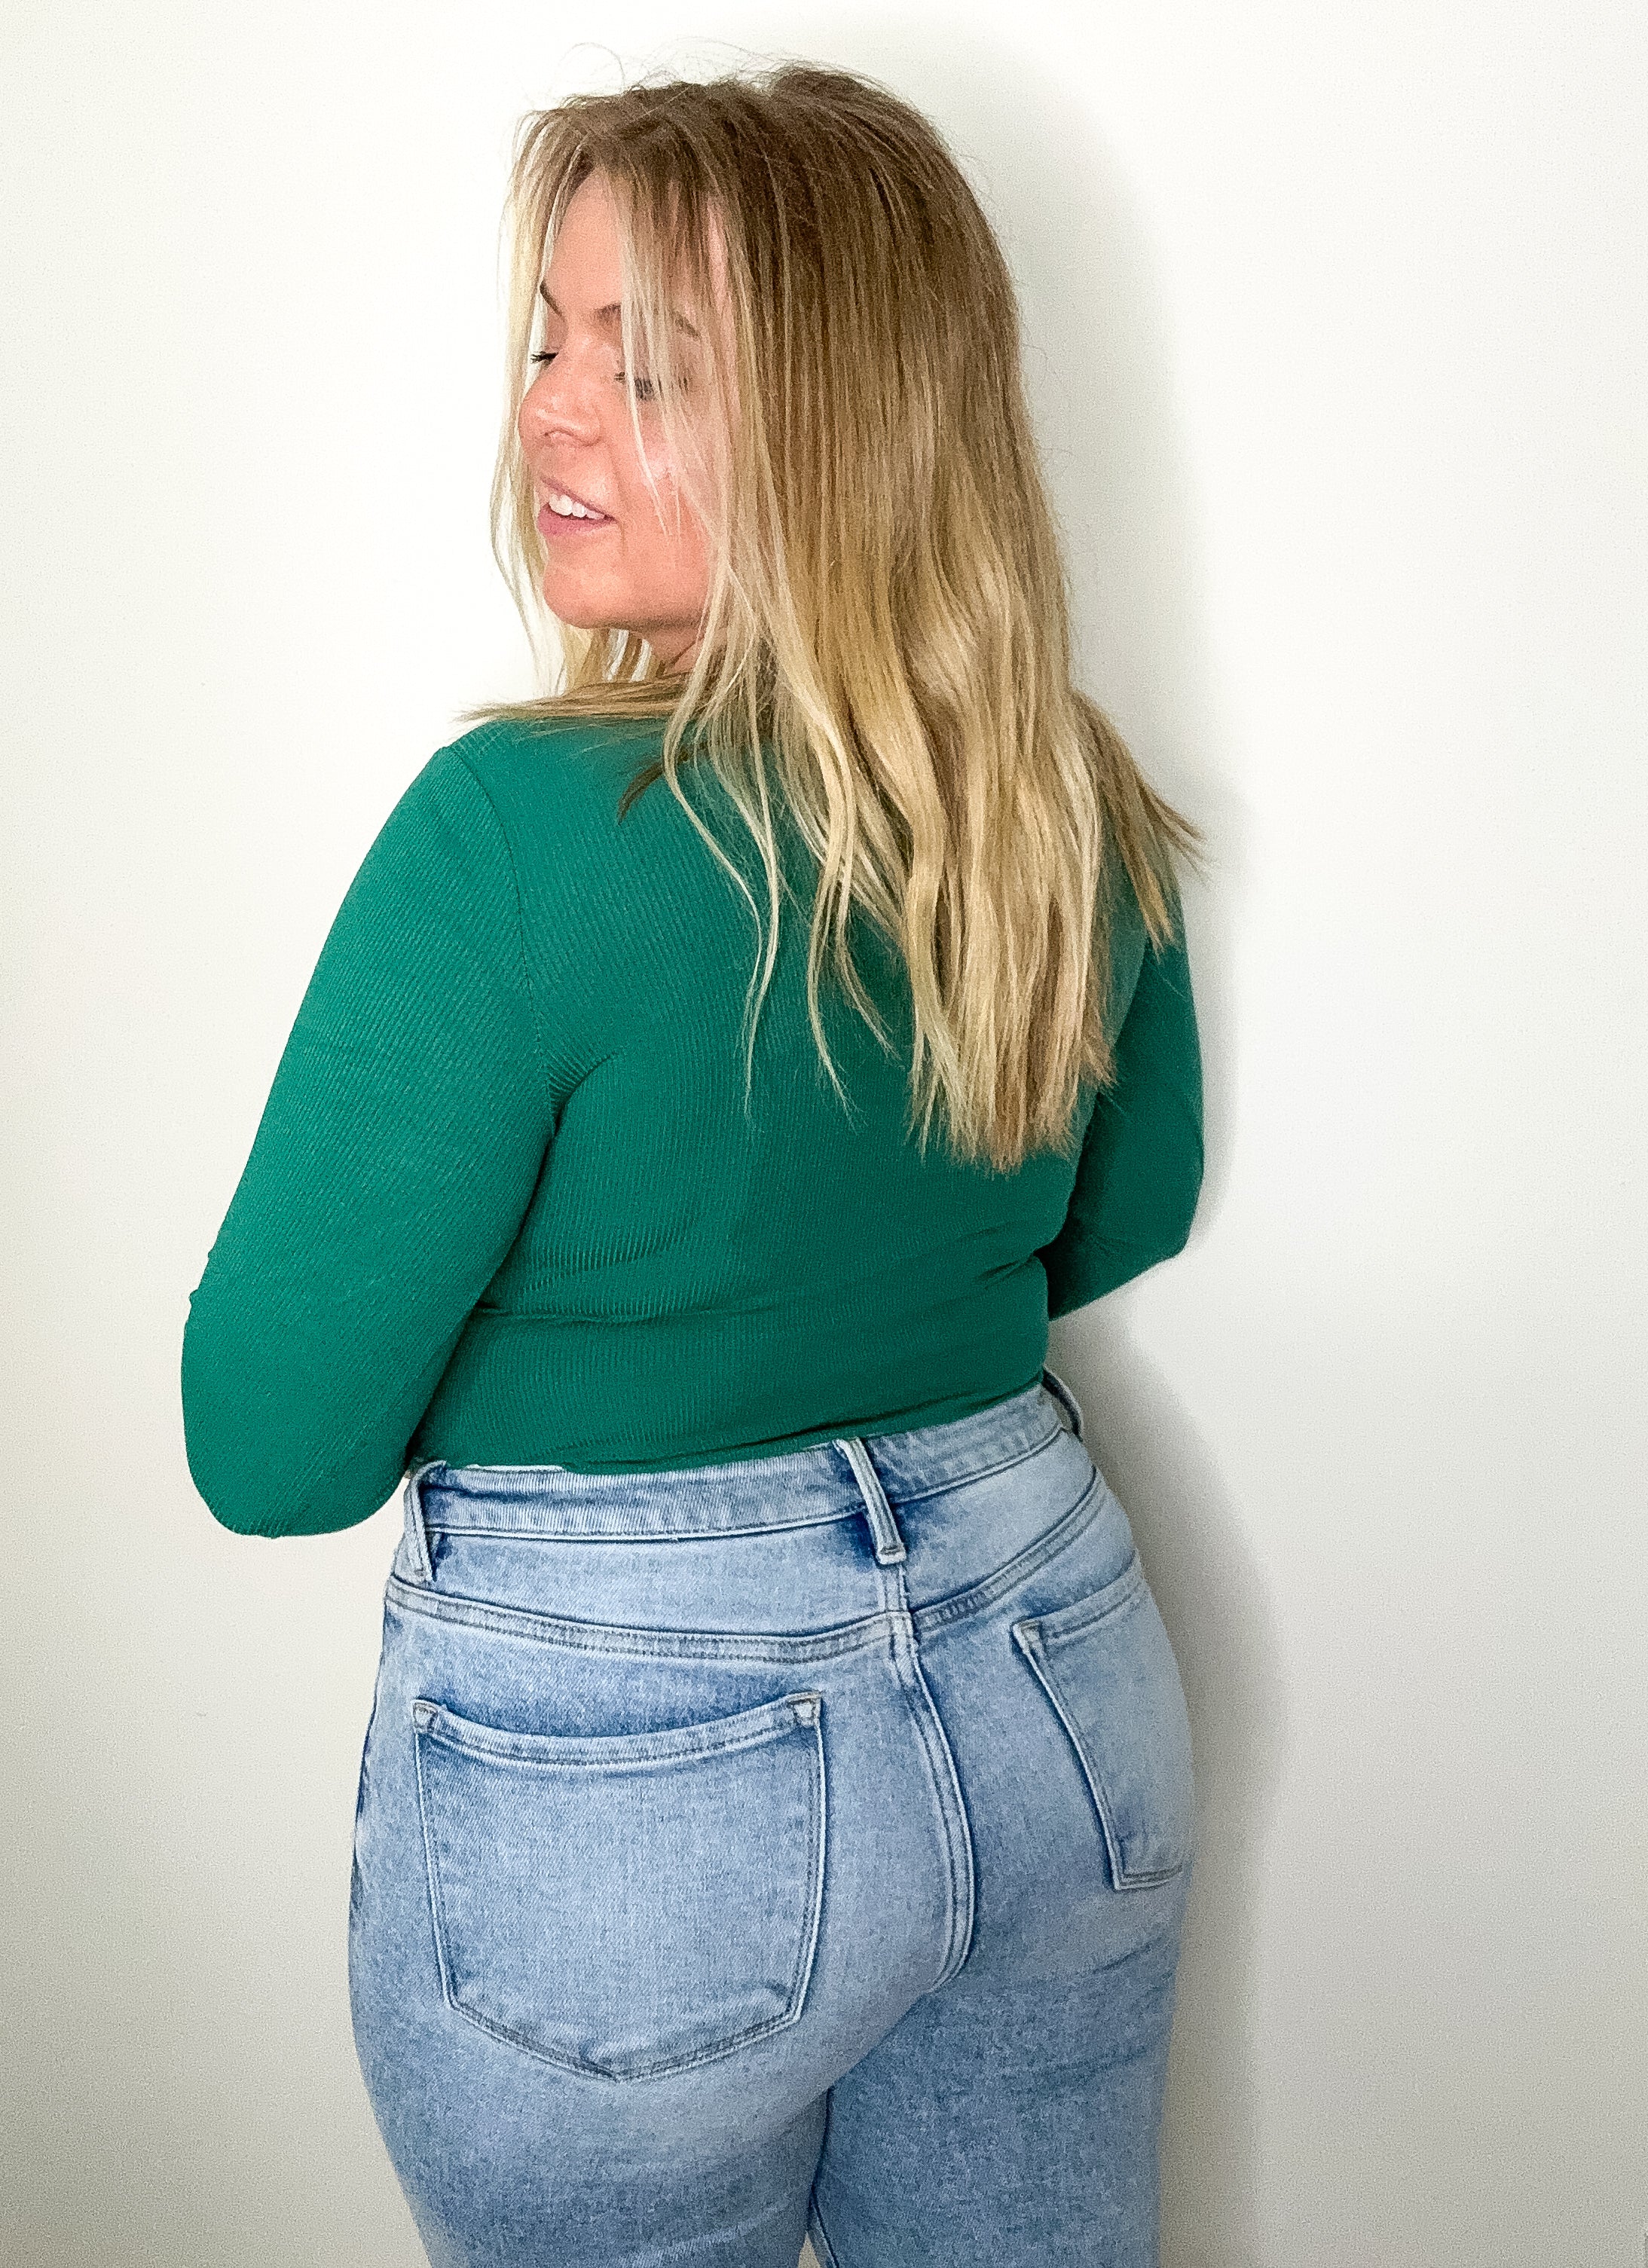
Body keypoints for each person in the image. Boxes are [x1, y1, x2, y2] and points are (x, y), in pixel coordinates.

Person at [180, 59, 1206, 2268]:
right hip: (1061, 1688)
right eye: (548, 336)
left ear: (847, 433)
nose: (549, 411)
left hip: (632, 1795)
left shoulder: (509, 842)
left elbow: (265, 1442)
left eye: (641, 365)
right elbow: (1124, 1206)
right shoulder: (1057, 796)